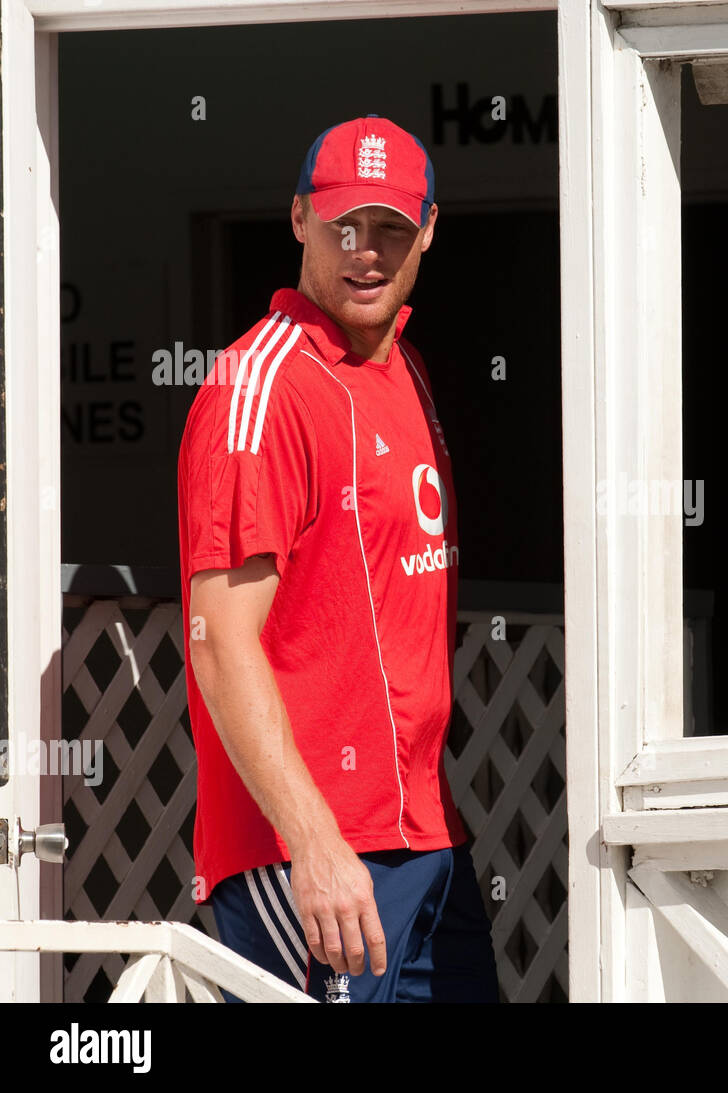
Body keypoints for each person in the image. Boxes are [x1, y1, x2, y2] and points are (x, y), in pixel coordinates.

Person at [176, 115, 498, 1003]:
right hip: (316, 859)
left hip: (424, 838)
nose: (367, 251)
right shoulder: (261, 384)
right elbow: (217, 640)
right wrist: (316, 845)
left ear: (428, 230)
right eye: (343, 225)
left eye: (391, 227)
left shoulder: (408, 370)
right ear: (297, 221)